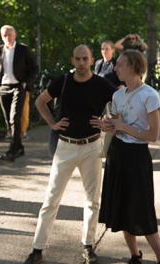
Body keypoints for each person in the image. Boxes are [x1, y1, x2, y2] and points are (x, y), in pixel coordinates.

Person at [23, 45, 117, 264]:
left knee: (92, 200)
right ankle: (37, 249)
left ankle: (88, 246)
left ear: (92, 60)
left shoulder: (102, 85)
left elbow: (122, 103)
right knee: (51, 198)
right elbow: (39, 101)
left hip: (92, 147)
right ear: (73, 61)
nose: (82, 63)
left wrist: (108, 122)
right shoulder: (63, 81)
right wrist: (52, 123)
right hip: (65, 146)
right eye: (78, 59)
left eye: (85, 59)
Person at [95, 50, 160, 264]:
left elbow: (153, 135)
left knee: (142, 208)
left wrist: (121, 126)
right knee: (121, 207)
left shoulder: (149, 95)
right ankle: (135, 255)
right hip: (117, 153)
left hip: (138, 157)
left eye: (119, 64)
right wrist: (106, 125)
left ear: (133, 67)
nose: (115, 68)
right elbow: (116, 125)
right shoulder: (117, 95)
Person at [0, 25, 39, 162]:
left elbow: (34, 68)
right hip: (3, 88)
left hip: (18, 87)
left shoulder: (23, 50)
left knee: (15, 118)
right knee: (8, 120)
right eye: (5, 35)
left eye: (10, 35)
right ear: (2, 37)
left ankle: (12, 151)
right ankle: (19, 148)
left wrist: (25, 83)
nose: (7, 37)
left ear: (15, 35)